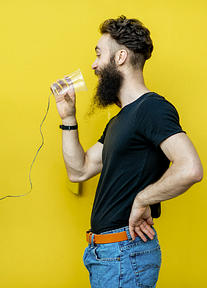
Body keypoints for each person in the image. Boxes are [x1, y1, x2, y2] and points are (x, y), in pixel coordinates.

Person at [53, 16, 203, 288]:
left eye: (99, 54)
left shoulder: (152, 108)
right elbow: (80, 170)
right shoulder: (119, 120)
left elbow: (190, 168)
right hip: (109, 255)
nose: (94, 64)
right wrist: (68, 118)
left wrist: (143, 199)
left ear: (120, 56)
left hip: (125, 253)